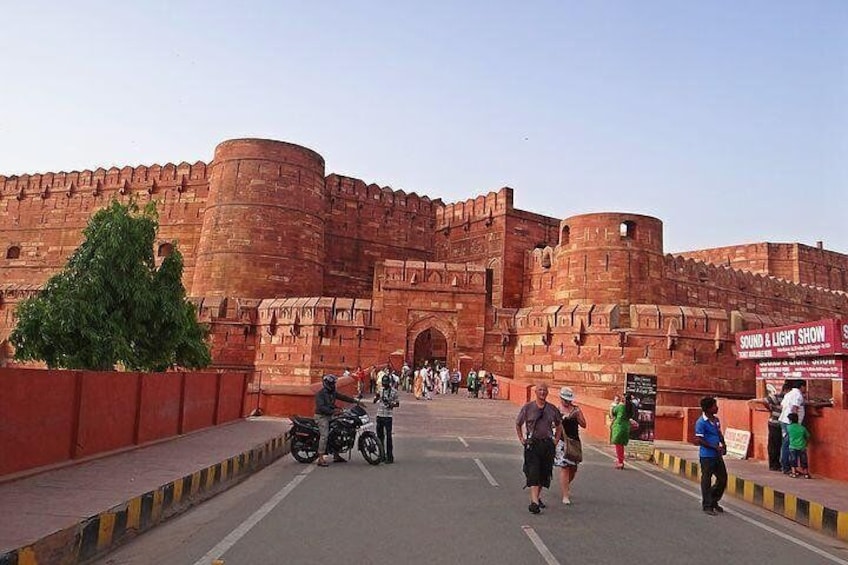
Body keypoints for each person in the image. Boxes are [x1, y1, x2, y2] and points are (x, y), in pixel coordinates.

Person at [515, 383, 562, 514]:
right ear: (535, 392)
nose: (542, 392)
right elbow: (518, 424)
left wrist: (556, 440)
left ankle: (537, 497)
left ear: (547, 393)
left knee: (544, 473)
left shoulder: (552, 409)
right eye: (540, 390)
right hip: (533, 443)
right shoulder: (528, 408)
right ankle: (534, 502)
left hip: (547, 444)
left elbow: (559, 425)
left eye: (544, 390)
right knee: (534, 471)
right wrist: (521, 439)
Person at [314, 374, 361, 467]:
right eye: (332, 383)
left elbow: (343, 397)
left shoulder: (332, 392)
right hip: (322, 416)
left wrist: (355, 401)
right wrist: (334, 412)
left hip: (331, 415)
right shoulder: (320, 394)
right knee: (325, 435)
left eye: (333, 383)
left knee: (338, 431)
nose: (333, 385)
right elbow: (321, 407)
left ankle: (336, 455)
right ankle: (320, 457)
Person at [694, 396, 727, 515]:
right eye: (714, 406)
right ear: (708, 409)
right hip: (707, 456)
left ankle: (713, 499)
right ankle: (707, 505)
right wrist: (714, 447)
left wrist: (723, 444)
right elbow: (698, 440)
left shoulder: (716, 420)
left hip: (717, 455)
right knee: (706, 480)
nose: (716, 408)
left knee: (723, 479)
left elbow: (719, 433)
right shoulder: (701, 422)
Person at [554, 387, 586, 505]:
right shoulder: (557, 410)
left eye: (569, 400)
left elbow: (584, 424)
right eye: (565, 400)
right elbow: (553, 425)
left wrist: (577, 416)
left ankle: (566, 485)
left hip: (574, 441)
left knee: (573, 468)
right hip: (562, 441)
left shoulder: (576, 410)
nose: (567, 402)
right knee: (565, 467)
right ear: (561, 398)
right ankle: (565, 495)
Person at [751, 382, 790, 471]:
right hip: (775, 423)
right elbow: (764, 401)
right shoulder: (777, 397)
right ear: (786, 390)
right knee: (774, 445)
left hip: (781, 423)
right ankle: (773, 464)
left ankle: (778, 463)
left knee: (779, 444)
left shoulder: (787, 398)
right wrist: (769, 408)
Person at [779, 380, 806, 474]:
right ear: (802, 387)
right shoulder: (798, 395)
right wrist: (794, 424)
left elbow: (782, 406)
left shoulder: (788, 394)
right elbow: (794, 408)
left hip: (784, 420)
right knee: (789, 445)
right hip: (791, 423)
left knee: (786, 444)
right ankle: (787, 467)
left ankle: (785, 466)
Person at [373, 374, 400, 464]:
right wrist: (376, 397)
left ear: (389, 382)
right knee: (380, 437)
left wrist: (391, 404)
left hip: (388, 416)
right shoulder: (380, 390)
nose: (384, 384)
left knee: (388, 437)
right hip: (380, 415)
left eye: (386, 382)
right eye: (383, 382)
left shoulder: (394, 392)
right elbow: (375, 400)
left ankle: (390, 457)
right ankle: (382, 455)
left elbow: (397, 403)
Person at [609, 392, 634, 469]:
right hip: (626, 427)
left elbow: (612, 413)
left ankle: (620, 462)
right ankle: (620, 460)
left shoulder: (620, 407)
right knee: (621, 445)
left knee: (618, 445)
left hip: (619, 427)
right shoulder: (630, 407)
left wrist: (612, 406)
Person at [787, 412, 811, 479]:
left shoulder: (788, 427)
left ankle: (794, 473)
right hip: (802, 446)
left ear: (790, 420)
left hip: (792, 446)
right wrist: (806, 443)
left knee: (793, 460)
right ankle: (806, 473)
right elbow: (808, 436)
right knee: (803, 460)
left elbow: (786, 435)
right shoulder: (802, 428)